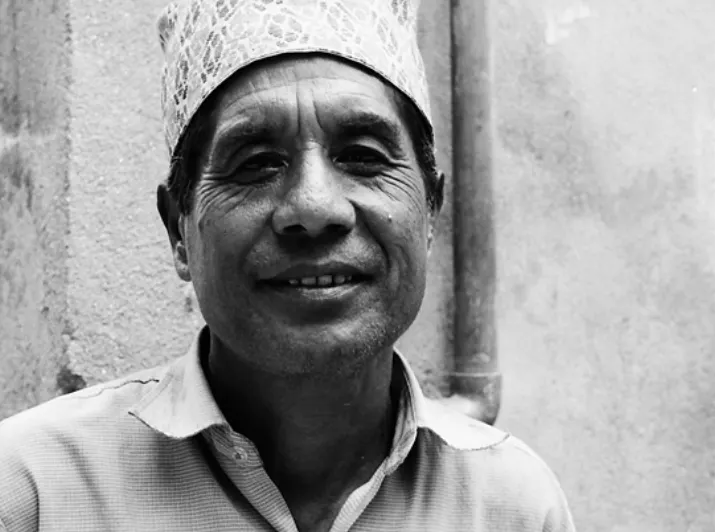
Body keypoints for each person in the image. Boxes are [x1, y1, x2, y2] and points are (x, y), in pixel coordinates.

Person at [0, 1, 576, 530]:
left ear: (430, 212)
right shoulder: (35, 490)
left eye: (363, 157)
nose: (314, 208)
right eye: (255, 163)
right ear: (178, 228)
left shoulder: (508, 505)